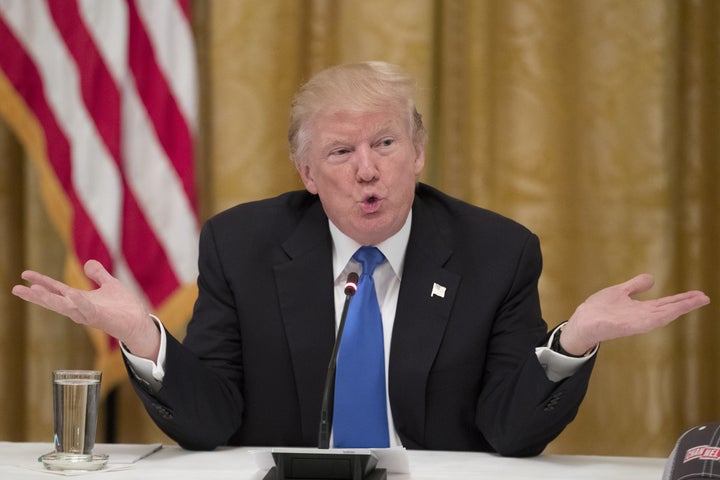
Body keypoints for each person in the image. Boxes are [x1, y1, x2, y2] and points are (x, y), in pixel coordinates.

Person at [12, 62, 709, 457]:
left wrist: (573, 343)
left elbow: (510, 430)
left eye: (386, 145)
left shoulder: (496, 251)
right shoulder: (243, 245)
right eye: (342, 153)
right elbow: (212, 420)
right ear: (307, 173)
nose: (368, 171)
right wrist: (142, 336)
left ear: (420, 153)